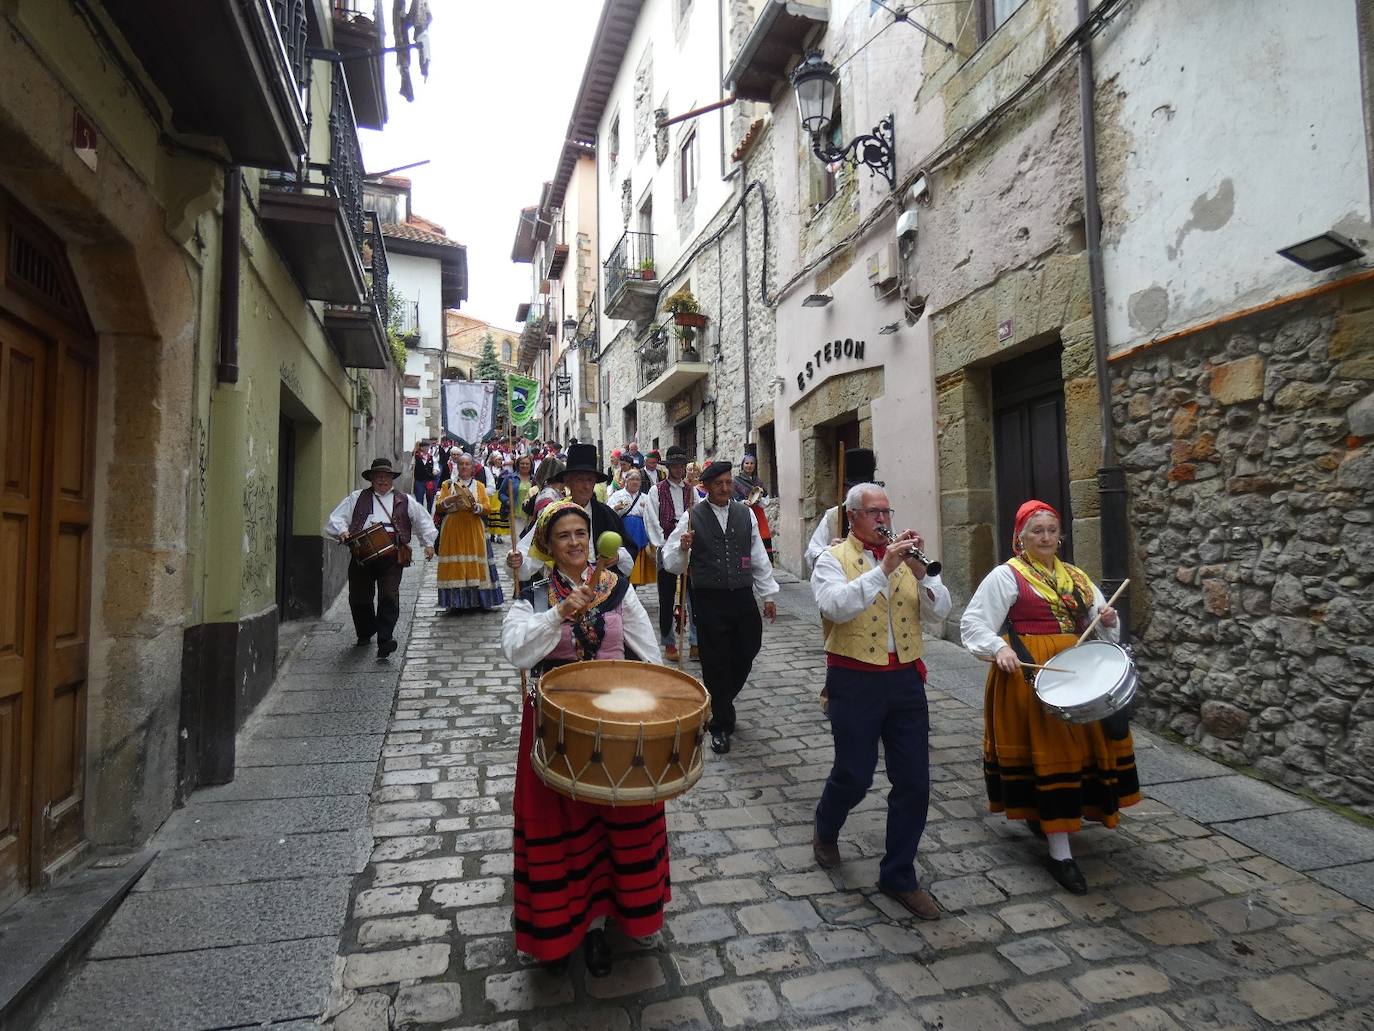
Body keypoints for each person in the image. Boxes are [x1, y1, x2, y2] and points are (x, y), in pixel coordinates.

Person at [500, 500, 669, 977]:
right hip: (556, 725)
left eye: (581, 534)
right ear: (548, 546)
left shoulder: (617, 589)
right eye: (563, 536)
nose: (575, 543)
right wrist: (558, 613)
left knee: (621, 817)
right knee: (563, 823)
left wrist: (661, 701)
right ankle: (565, 925)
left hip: (616, 718)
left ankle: (618, 915)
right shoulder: (533, 594)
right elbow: (516, 652)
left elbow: (647, 650)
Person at [960, 500, 1139, 895]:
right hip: (1030, 674)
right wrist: (999, 648)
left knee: (1078, 754)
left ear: (1061, 536)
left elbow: (1101, 622)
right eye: (1036, 531)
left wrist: (1109, 620)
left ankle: (1053, 822)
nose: (1045, 537)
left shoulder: (1075, 576)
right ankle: (1061, 854)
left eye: (1051, 530)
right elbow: (973, 622)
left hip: (1075, 671)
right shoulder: (1006, 576)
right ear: (1020, 538)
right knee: (1051, 754)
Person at [811, 482, 950, 920]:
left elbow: (940, 611)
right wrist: (883, 569)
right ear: (852, 517)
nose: (884, 520)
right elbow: (836, 607)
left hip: (906, 679)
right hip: (854, 679)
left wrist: (926, 574)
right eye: (874, 513)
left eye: (887, 512)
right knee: (854, 775)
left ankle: (898, 874)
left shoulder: (906, 561)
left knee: (914, 781)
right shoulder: (831, 560)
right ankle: (826, 825)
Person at [662, 461, 778, 754]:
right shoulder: (691, 517)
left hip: (741, 594)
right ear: (707, 486)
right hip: (709, 598)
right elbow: (671, 563)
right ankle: (721, 724)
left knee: (749, 646)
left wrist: (768, 594)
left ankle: (720, 700)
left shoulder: (745, 513)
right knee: (715, 661)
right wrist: (683, 547)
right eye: (719, 484)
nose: (725, 488)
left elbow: (757, 555)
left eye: (728, 482)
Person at [325, 458, 436, 658]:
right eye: (378, 476)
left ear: (392, 479)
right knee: (359, 596)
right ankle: (365, 632)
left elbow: (422, 520)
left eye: (386, 476)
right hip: (362, 554)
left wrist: (428, 543)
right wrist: (342, 531)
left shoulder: (404, 499)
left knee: (389, 595)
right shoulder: (357, 498)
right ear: (372, 479)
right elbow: (336, 518)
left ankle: (385, 639)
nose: (382, 480)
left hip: (392, 556)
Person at [511, 443, 636, 585]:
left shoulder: (606, 514)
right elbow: (531, 548)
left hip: (600, 588)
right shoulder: (553, 513)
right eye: (580, 479)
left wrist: (618, 556)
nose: (586, 486)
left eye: (590, 480)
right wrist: (518, 559)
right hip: (563, 587)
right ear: (568, 482)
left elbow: (629, 548)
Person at [434, 453, 505, 612]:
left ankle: (478, 600)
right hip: (453, 528)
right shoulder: (448, 485)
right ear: (457, 466)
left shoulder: (479, 486)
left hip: (473, 526)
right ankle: (455, 602)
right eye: (461, 464)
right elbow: (439, 506)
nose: (464, 467)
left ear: (473, 468)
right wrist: (450, 500)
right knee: (455, 564)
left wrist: (476, 507)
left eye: (467, 464)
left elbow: (487, 507)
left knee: (476, 562)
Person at [654, 446, 699, 661]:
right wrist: (661, 546)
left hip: (689, 547)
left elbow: (698, 515)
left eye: (682, 466)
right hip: (666, 546)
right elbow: (652, 520)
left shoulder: (692, 491)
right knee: (666, 596)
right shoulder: (657, 490)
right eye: (675, 466)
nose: (679, 470)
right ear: (669, 467)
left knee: (693, 595)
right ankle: (669, 642)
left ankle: (695, 641)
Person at [806, 448, 878, 573]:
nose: (861, 495)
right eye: (856, 489)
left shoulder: (880, 515)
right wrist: (830, 550)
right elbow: (811, 554)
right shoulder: (833, 516)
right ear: (846, 491)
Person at [607, 468, 663, 586]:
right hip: (623, 530)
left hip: (639, 533)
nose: (635, 482)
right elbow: (608, 513)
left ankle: (634, 585)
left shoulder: (645, 497)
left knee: (637, 561)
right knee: (623, 559)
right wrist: (615, 508)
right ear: (626, 480)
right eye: (632, 479)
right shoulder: (617, 495)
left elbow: (653, 516)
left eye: (637, 479)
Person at [732, 451, 773, 561]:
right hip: (744, 514)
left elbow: (766, 499)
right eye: (747, 463)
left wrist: (759, 500)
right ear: (742, 465)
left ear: (755, 466)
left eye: (752, 463)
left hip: (759, 514)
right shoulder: (736, 481)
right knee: (747, 539)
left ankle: (764, 563)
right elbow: (734, 499)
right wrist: (743, 502)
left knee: (763, 537)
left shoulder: (758, 482)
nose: (749, 466)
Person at [412, 442, 437, 512]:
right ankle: (420, 512)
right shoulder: (416, 456)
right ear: (421, 448)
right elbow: (411, 467)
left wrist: (435, 471)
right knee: (419, 497)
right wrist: (413, 466)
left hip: (429, 480)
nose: (427, 448)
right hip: (419, 480)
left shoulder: (432, 457)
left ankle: (429, 511)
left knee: (430, 498)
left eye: (428, 447)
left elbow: (436, 467)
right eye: (425, 447)